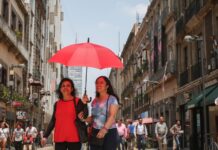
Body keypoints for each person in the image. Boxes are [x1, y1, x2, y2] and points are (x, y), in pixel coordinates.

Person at [41, 78, 88, 150]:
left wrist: (85, 104)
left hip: (74, 139)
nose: (65, 87)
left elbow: (85, 115)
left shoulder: (78, 101)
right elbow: (53, 121)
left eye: (68, 86)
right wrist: (45, 136)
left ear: (72, 89)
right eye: (63, 86)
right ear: (60, 89)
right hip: (59, 139)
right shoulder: (57, 104)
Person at [79, 76, 119, 150]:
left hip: (109, 132)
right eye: (96, 83)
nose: (98, 85)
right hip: (95, 133)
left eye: (101, 83)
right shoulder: (94, 101)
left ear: (107, 86)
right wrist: (84, 119)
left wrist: (104, 129)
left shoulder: (112, 99)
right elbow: (93, 118)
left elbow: (112, 116)